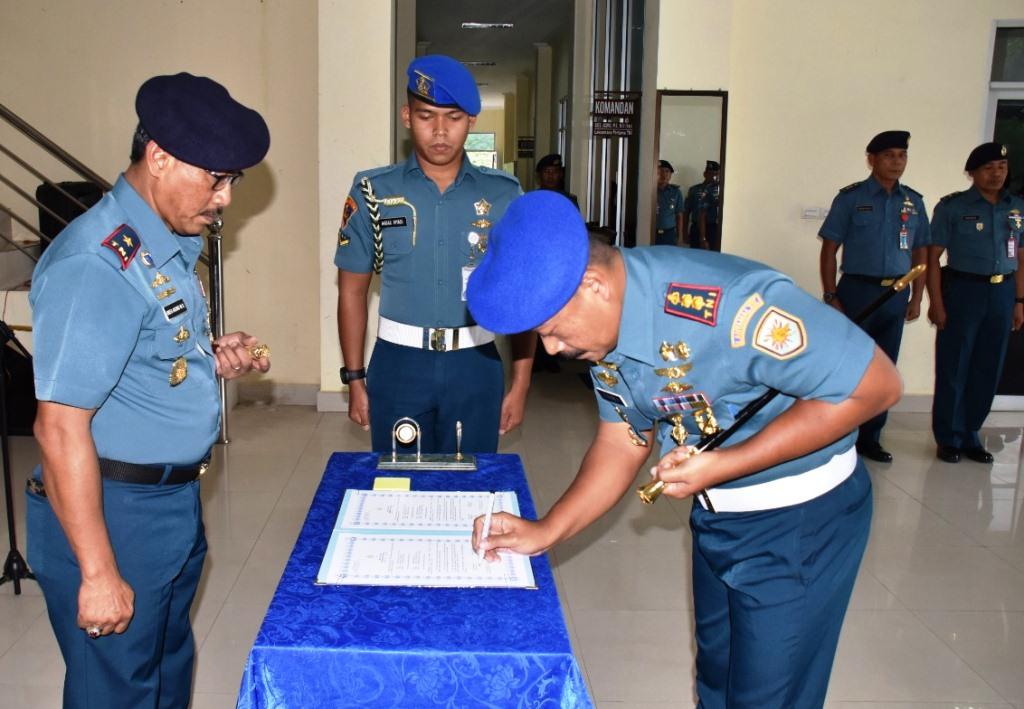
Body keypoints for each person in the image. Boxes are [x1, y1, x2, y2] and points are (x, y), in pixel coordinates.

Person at [466, 190, 902, 708]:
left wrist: (726, 463)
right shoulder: (607, 331)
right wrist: (546, 532)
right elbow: (623, 436)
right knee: (717, 683)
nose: (555, 350)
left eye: (554, 333)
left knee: (768, 698)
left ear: (594, 286)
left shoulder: (732, 306)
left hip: (799, 525)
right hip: (719, 521)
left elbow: (877, 385)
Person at [26, 72, 271, 708]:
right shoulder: (95, 265)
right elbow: (57, 426)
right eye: (214, 179)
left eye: (231, 182)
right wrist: (99, 570)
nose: (224, 199)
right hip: (112, 512)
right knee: (115, 690)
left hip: (169, 505)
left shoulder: (163, 244)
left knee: (164, 672)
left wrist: (210, 359)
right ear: (158, 157)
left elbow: (145, 355)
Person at [335, 54, 534, 453]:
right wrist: (355, 378)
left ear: (471, 122)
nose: (440, 131)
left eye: (454, 118)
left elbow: (523, 295)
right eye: (427, 116)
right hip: (398, 364)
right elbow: (351, 292)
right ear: (407, 117)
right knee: (398, 486)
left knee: (471, 486)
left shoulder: (504, 194)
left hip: (476, 365)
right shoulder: (371, 192)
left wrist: (521, 384)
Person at [819, 130, 929, 463]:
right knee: (851, 366)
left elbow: (921, 251)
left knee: (884, 368)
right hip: (857, 291)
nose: (897, 162)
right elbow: (829, 250)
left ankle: (871, 438)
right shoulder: (851, 199)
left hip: (896, 292)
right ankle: (840, 435)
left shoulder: (913, 201)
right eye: (889, 156)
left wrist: (916, 298)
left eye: (902, 155)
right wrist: (830, 294)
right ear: (872, 160)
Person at [926, 141, 1024, 463]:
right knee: (954, 366)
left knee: (988, 367)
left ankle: (971, 435)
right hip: (964, 291)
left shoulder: (1016, 207)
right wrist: (936, 302)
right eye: (988, 168)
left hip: (1002, 293)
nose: (997, 173)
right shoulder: (952, 207)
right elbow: (932, 257)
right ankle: (949, 437)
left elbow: (1020, 257)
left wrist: (1019, 301)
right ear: (972, 173)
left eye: (1002, 167)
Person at [655, 159, 685, 246]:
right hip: (652, 232)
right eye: (660, 171)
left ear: (671, 175)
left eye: (667, 171)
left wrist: (680, 237)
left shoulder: (676, 192)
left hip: (669, 234)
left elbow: (679, 216)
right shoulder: (650, 190)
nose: (663, 175)